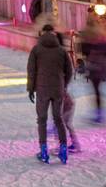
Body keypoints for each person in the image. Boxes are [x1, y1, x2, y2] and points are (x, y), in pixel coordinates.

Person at [27, 24, 72, 164]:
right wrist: (64, 85)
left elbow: (31, 71)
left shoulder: (36, 50)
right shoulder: (61, 51)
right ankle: (64, 150)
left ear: (42, 33)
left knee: (42, 120)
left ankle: (44, 151)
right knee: (58, 118)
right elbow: (69, 71)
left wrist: (30, 89)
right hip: (58, 88)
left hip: (42, 89)